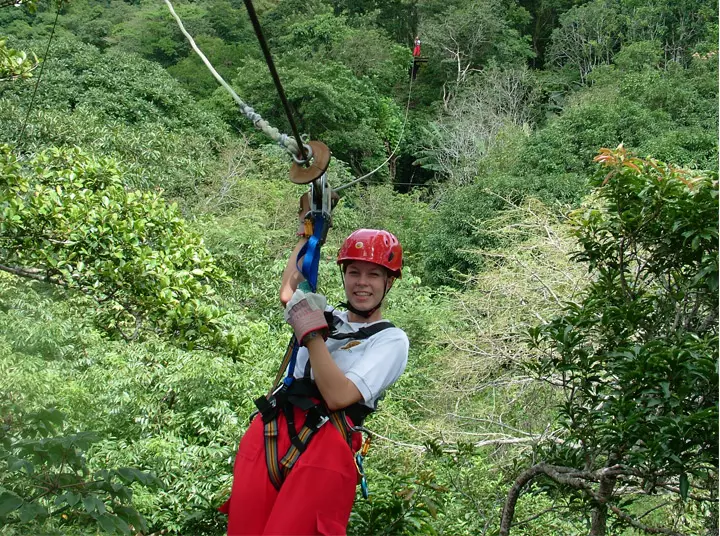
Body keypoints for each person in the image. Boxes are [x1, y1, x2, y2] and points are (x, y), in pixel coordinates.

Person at [221, 197, 409, 535]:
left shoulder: (390, 340)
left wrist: (310, 334)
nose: (361, 283)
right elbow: (289, 292)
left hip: (326, 443)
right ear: (344, 275)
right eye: (354, 272)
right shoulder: (328, 318)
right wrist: (309, 230)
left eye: (373, 275)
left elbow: (338, 396)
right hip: (271, 432)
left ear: (388, 283)